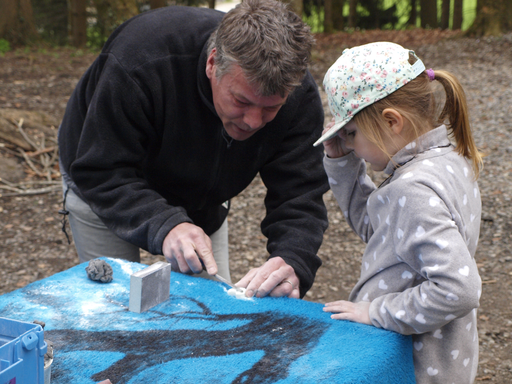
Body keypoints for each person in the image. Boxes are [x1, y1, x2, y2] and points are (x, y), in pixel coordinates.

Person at [57, 0, 329, 299]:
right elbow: (101, 169)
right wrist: (166, 224)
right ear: (212, 64)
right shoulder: (141, 61)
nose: (253, 122)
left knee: (212, 305)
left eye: (271, 108)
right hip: (105, 182)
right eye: (241, 101)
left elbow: (300, 194)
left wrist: (292, 260)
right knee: (113, 304)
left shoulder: (298, 94)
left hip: (202, 195)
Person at [315, 42, 483, 383]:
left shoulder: (413, 189)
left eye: (351, 134)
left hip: (413, 364)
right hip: (446, 357)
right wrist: (342, 162)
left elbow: (460, 289)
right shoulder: (447, 160)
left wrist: (375, 311)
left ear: (392, 122)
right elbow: (378, 228)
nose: (348, 144)